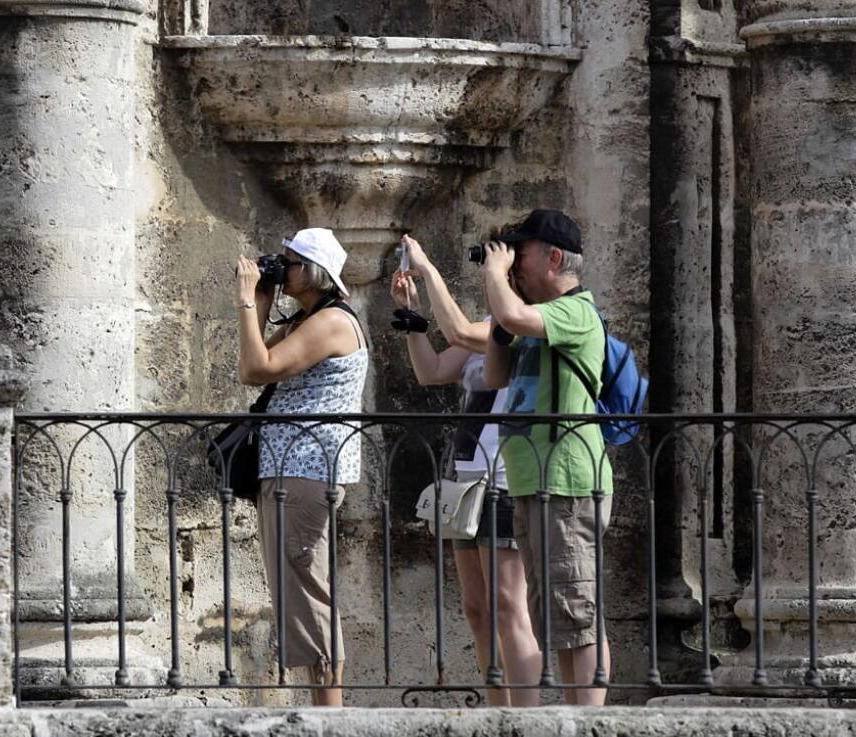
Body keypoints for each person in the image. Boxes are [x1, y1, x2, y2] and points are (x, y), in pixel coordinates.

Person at [390, 235, 541, 706]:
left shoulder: (523, 328)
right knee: (477, 609)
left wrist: (428, 268)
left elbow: (456, 333)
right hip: (465, 476)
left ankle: (527, 719)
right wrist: (414, 319)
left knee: (507, 603)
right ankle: (498, 714)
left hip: (503, 476)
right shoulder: (488, 327)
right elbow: (432, 370)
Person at [481, 209, 612, 706]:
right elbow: (495, 375)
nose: (512, 262)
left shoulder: (575, 311)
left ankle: (587, 724)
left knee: (576, 609)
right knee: (554, 614)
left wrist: (497, 280)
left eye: (522, 252)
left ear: (554, 257)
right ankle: (575, 717)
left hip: (568, 482)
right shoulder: (536, 321)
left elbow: (515, 316)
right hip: (534, 481)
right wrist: (498, 307)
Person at [235, 227, 368, 707]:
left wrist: (248, 300)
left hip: (307, 471)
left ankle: (329, 720)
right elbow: (254, 361)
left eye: (288, 263)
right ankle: (322, 712)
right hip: (289, 468)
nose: (280, 269)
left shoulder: (331, 322)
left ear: (314, 272)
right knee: (298, 593)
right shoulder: (307, 320)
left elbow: (257, 369)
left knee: (310, 595)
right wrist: (263, 298)